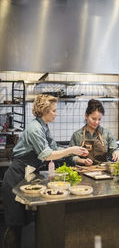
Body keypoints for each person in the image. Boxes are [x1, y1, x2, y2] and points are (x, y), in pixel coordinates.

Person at [2, 94, 88, 248]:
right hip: (16, 178)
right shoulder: (35, 128)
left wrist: (77, 157)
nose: (56, 113)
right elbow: (48, 155)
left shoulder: (43, 126)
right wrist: (71, 149)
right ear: (44, 111)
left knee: (23, 222)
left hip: (26, 177)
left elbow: (54, 148)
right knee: (15, 224)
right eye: (54, 111)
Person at [68, 99, 119, 166]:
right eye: (93, 118)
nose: (96, 122)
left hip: (102, 172)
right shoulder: (77, 135)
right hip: (83, 171)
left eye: (99, 119)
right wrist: (82, 161)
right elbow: (71, 156)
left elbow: (113, 149)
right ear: (86, 116)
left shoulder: (107, 133)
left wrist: (116, 152)